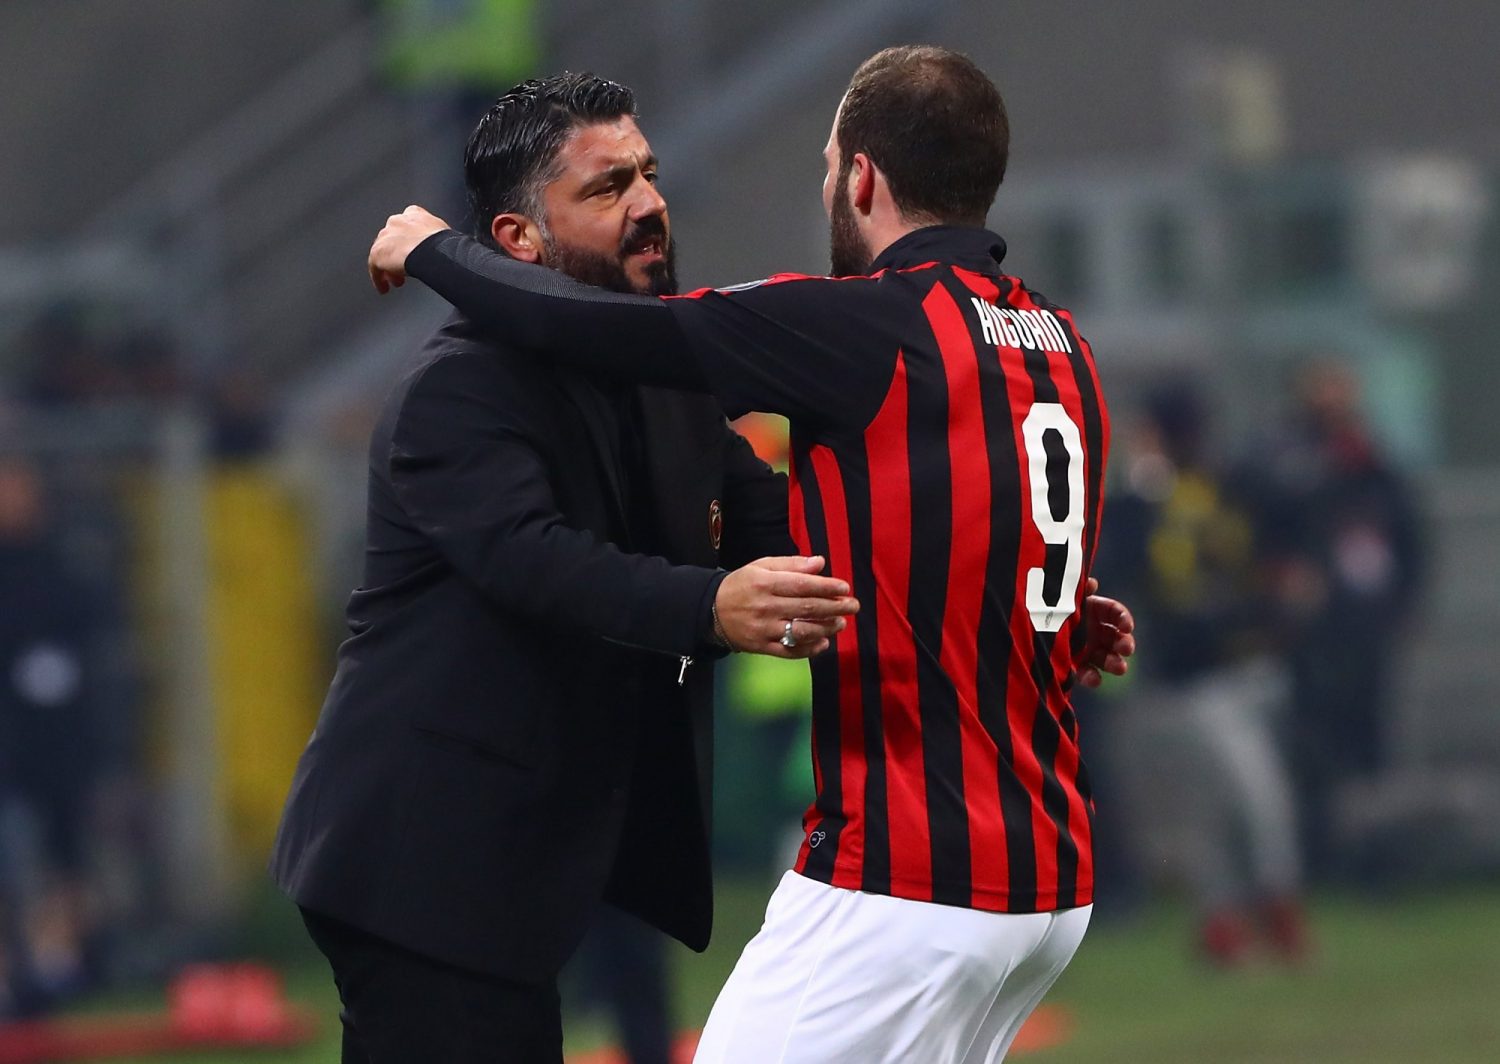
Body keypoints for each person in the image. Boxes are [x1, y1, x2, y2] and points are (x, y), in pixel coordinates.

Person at [368, 45, 1132, 1064]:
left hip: (907, 875)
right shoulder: (1058, 339)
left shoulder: (866, 324)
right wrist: (1069, 619)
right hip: (1046, 885)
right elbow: (968, 534)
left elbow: (594, 329)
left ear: (861, 177)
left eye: (828, 166)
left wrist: (434, 250)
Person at [270, 73, 861, 1064]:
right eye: (606, 187)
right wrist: (711, 605)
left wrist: (1011, 590)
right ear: (515, 242)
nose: (649, 204)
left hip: (547, 846)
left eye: (649, 174)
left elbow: (787, 526)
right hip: (421, 853)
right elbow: (537, 562)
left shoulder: (660, 381)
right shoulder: (455, 388)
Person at [1096, 387, 1308, 965]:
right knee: (1225, 802)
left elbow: (1282, 547)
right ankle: (1243, 917)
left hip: (1243, 663)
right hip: (1188, 679)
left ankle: (1252, 913)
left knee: (1250, 796)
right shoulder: (1146, 501)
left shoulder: (1231, 484)